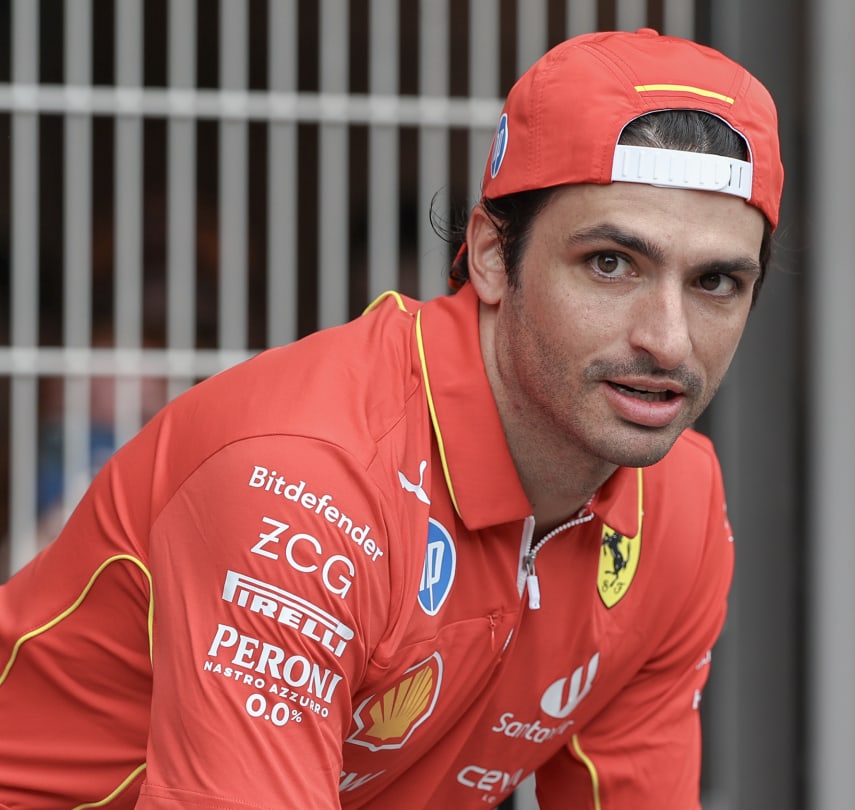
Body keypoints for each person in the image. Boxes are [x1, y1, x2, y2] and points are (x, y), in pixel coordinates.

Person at [0, 27, 782, 809]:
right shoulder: (305, 479)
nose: (668, 339)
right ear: (489, 256)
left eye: (716, 282)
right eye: (610, 263)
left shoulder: (675, 507)